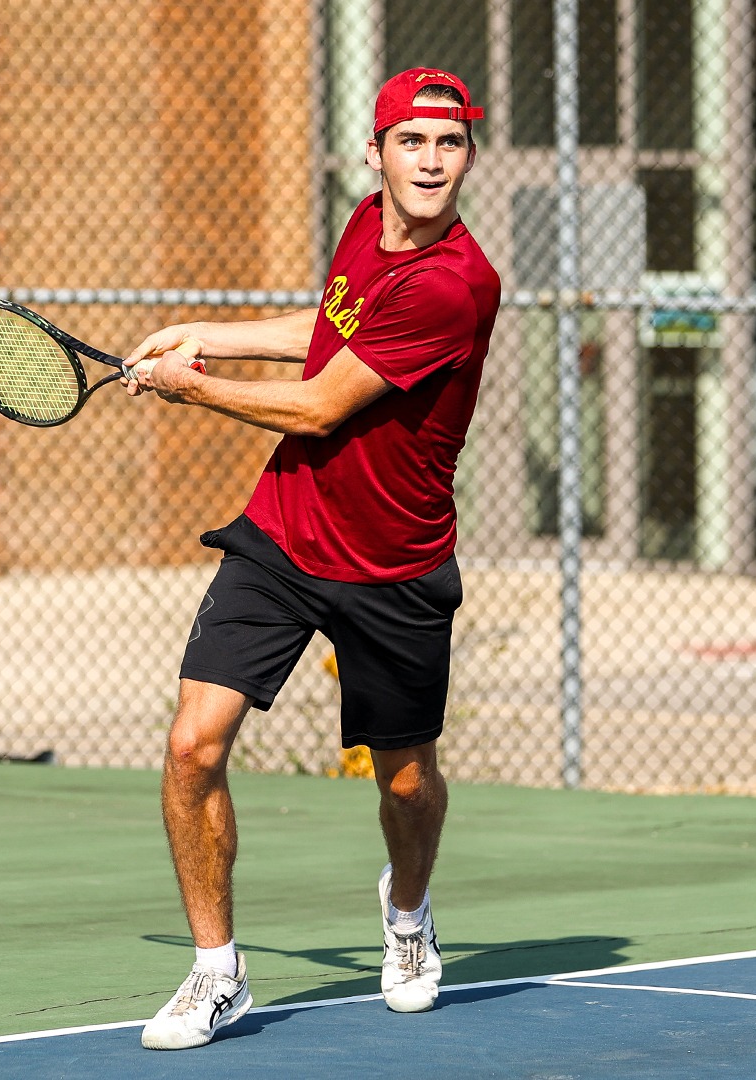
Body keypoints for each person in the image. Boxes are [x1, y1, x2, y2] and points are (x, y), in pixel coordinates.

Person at [123, 67, 500, 1051]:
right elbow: (327, 333)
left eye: (449, 142)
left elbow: (323, 402)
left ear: (467, 156)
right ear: (375, 154)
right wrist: (208, 335)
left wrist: (189, 387)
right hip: (286, 531)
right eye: (411, 141)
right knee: (190, 744)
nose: (430, 159)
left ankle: (409, 917)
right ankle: (216, 973)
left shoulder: (456, 284)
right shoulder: (364, 228)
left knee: (405, 780)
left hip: (395, 563)